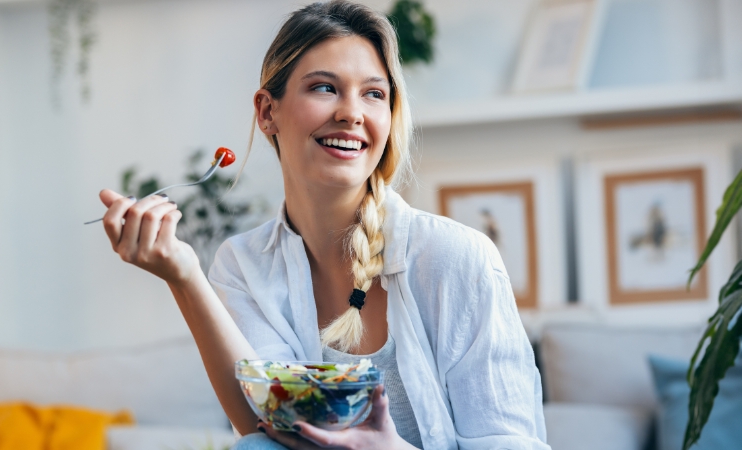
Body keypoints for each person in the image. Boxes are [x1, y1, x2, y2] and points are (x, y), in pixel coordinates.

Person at [97, 1, 549, 449]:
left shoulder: (458, 259)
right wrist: (184, 274)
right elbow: (264, 427)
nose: (351, 112)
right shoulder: (243, 265)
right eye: (324, 88)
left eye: (374, 94)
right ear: (266, 112)